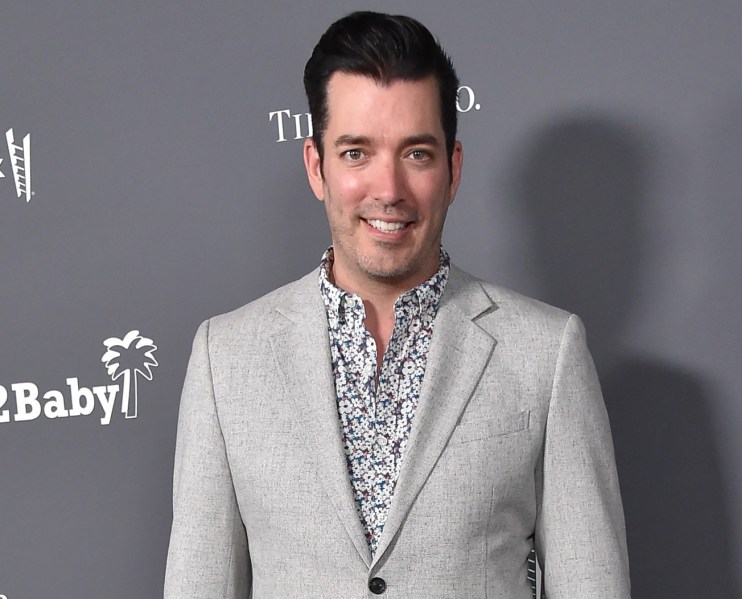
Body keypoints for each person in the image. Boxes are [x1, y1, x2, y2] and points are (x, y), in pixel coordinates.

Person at [164, 11, 630, 599]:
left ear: (453, 169)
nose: (388, 189)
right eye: (357, 153)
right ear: (317, 166)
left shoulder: (547, 351)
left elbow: (594, 585)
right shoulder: (225, 358)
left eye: (416, 154)